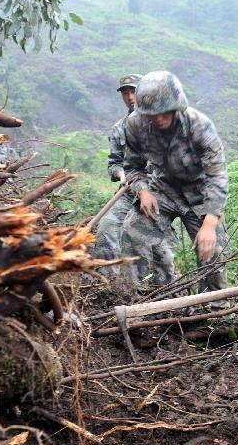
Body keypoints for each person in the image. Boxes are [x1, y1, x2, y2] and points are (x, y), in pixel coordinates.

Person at [120, 71, 229, 294]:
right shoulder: (135, 125)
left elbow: (217, 176)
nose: (158, 118)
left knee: (213, 251)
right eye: (151, 114)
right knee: (132, 231)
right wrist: (142, 192)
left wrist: (209, 224)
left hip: (201, 193)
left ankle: (213, 308)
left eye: (163, 112)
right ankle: (137, 297)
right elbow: (132, 167)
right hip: (162, 188)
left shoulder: (199, 125)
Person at [93, 73, 177, 285]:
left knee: (160, 249)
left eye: (134, 91)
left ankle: (164, 291)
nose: (130, 97)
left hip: (158, 194)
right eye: (125, 93)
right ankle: (108, 286)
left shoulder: (162, 121)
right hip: (129, 192)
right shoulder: (119, 129)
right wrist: (123, 175)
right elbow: (114, 163)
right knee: (107, 227)